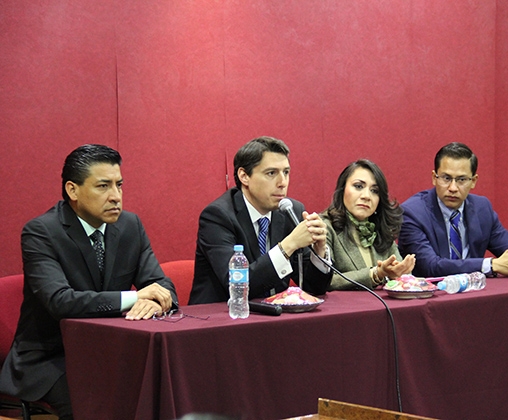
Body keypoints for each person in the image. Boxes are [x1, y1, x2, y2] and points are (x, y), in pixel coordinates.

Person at [0, 144, 178, 420]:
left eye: (119, 185)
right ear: (73, 190)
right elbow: (60, 301)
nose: (116, 196)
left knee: (165, 389)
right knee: (97, 403)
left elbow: (162, 287)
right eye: (103, 186)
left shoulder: (130, 226)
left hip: (112, 349)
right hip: (52, 358)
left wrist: (157, 302)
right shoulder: (42, 232)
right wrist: (135, 297)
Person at [189, 136, 332, 304]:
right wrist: (288, 245)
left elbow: (314, 288)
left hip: (272, 313)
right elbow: (237, 285)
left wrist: (319, 251)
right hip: (220, 315)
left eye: (286, 172)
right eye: (271, 173)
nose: (282, 182)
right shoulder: (218, 216)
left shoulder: (291, 211)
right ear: (244, 176)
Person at [398, 142, 508, 278]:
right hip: (430, 292)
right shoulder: (413, 213)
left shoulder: (482, 209)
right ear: (434, 178)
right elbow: (429, 266)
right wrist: (491, 265)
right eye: (446, 178)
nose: (453, 188)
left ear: (473, 181)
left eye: (461, 180)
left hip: (475, 292)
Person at [322, 159, 416, 290]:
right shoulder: (324, 227)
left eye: (374, 191)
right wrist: (376, 274)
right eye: (358, 186)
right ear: (342, 189)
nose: (366, 196)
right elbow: (325, 282)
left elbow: (400, 277)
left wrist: (402, 273)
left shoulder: (381, 229)